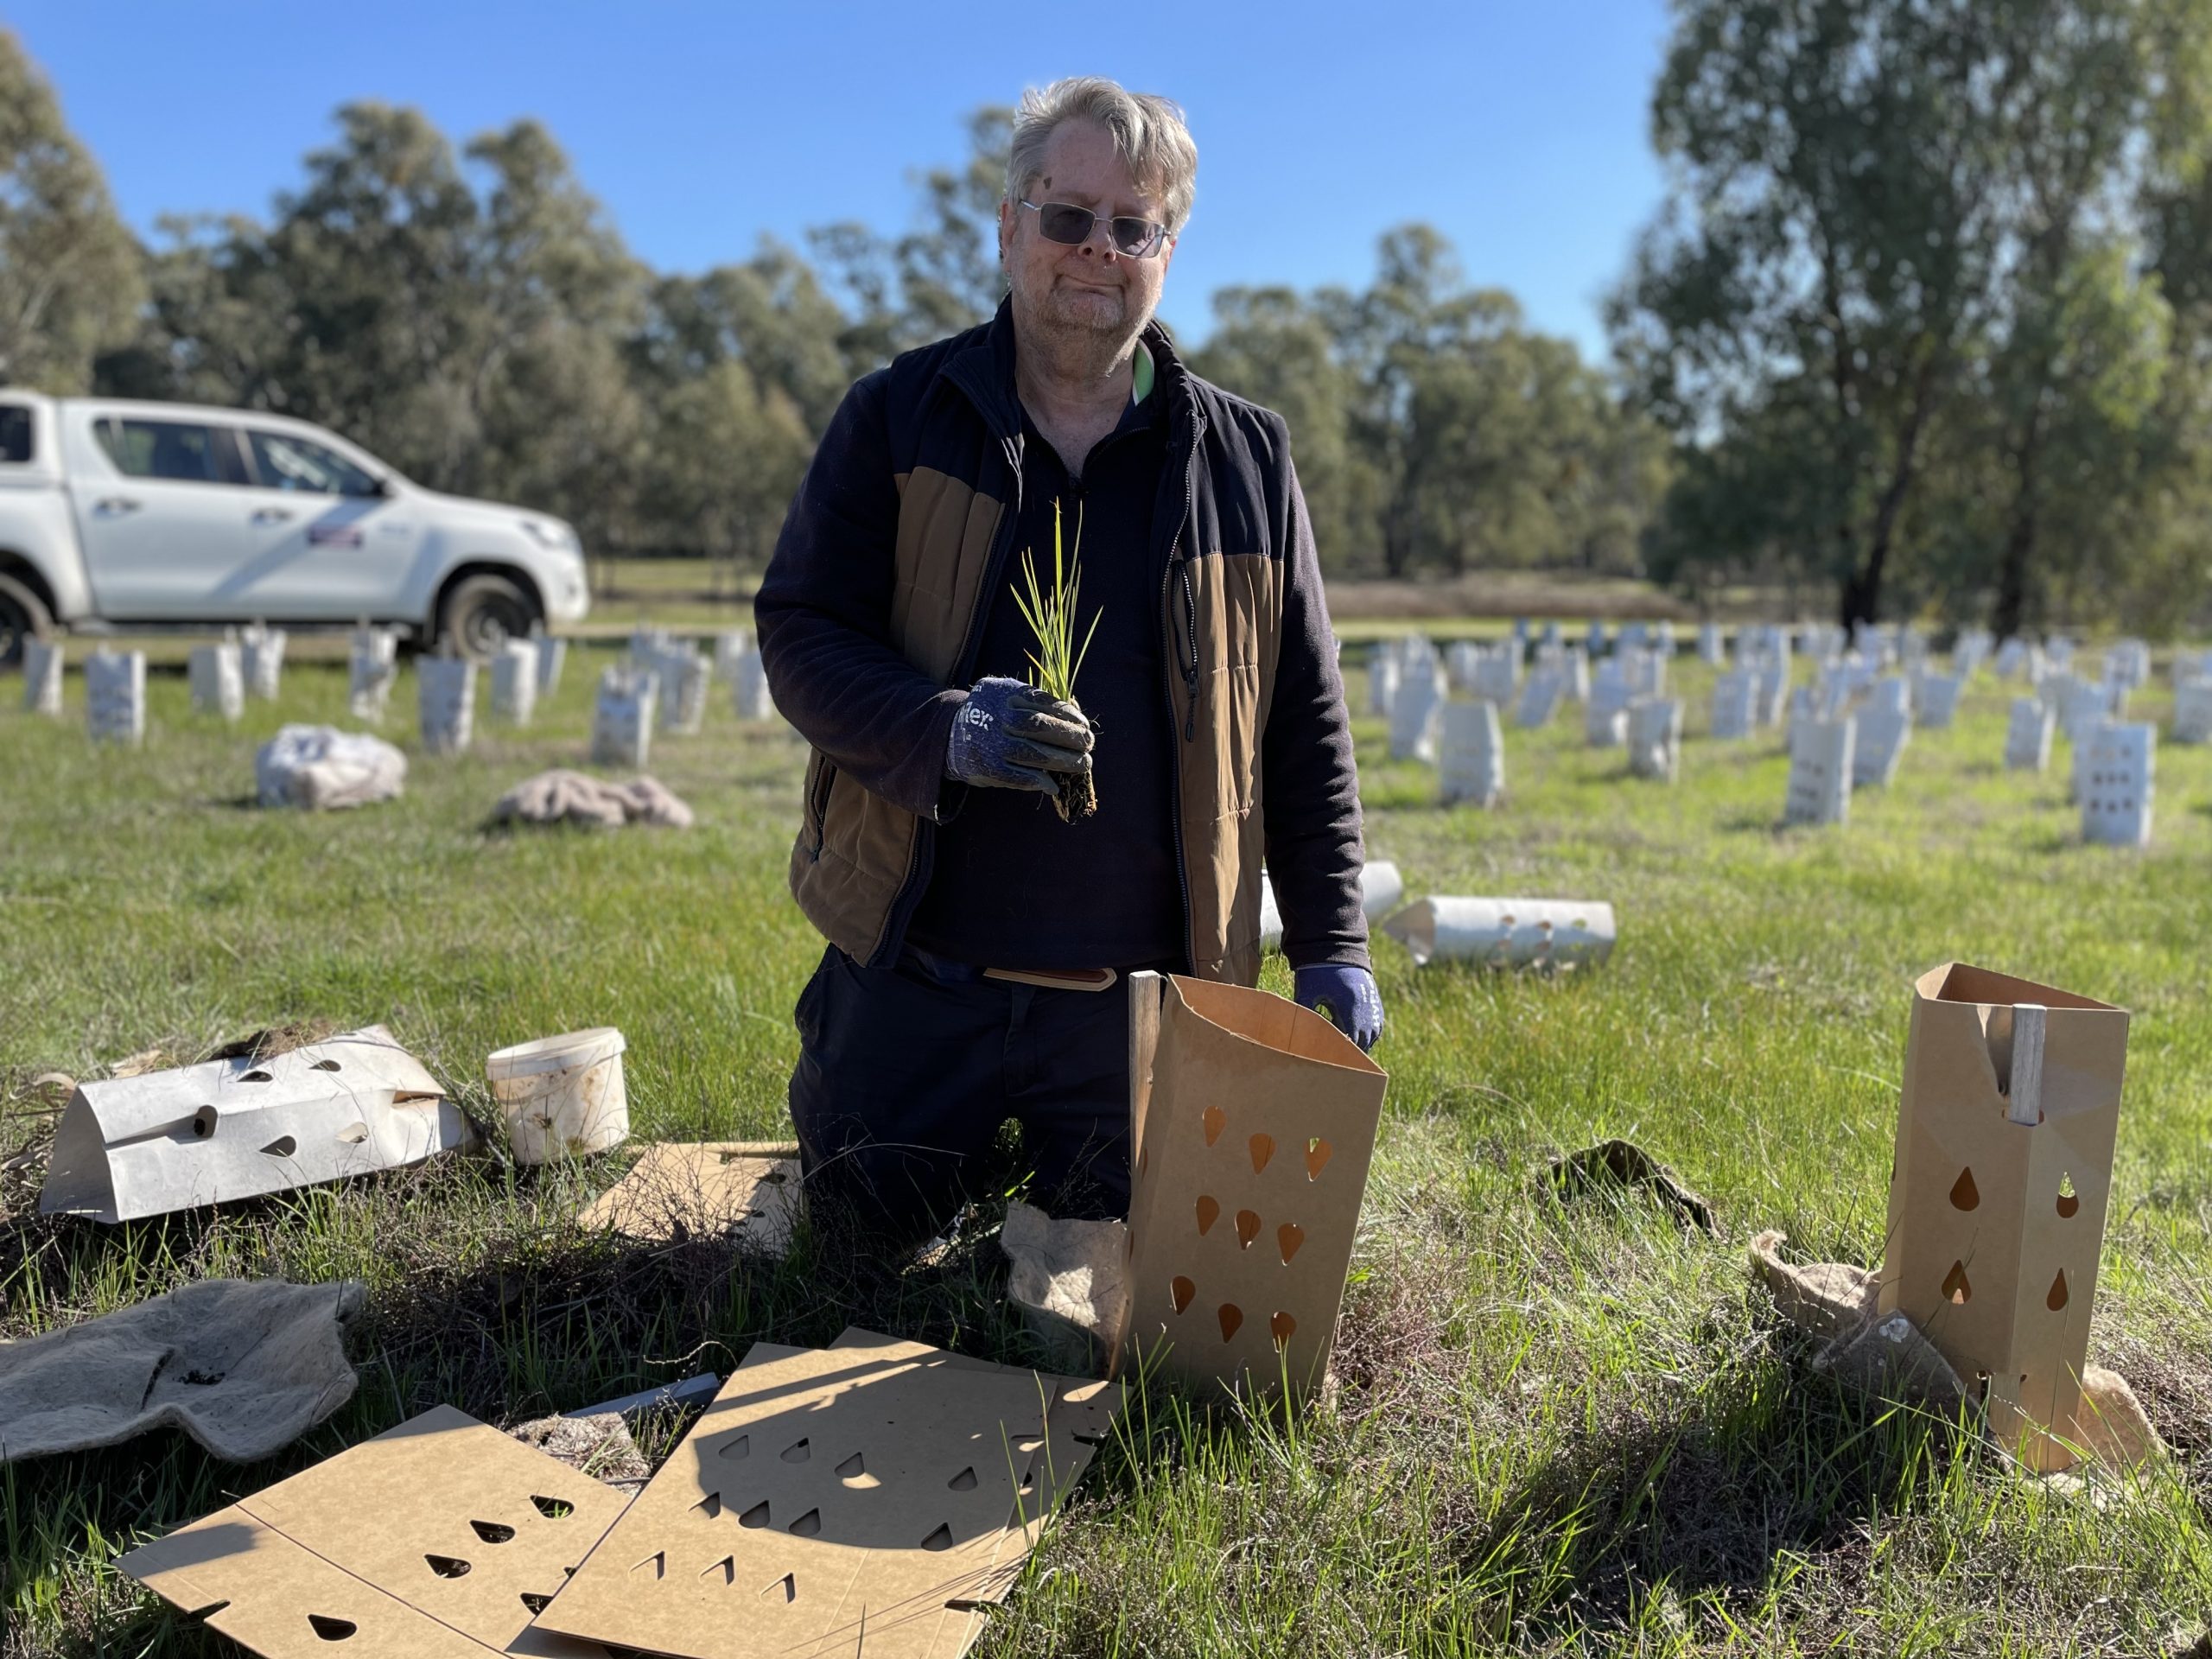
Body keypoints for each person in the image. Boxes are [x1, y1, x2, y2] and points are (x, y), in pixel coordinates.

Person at [755, 76, 1380, 1243]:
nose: (1097, 250)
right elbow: (798, 633)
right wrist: (944, 730)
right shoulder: (901, 415)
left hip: (1142, 1012)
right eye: (1067, 217)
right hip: (917, 988)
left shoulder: (1243, 458)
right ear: (1009, 226)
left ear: (1168, 250)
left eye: (1132, 226)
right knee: (848, 1260)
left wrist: (1334, 941)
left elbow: (1300, 714)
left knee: (1121, 1303)